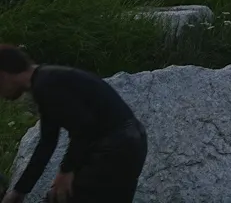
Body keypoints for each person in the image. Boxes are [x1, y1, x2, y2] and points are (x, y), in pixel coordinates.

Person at [0, 46, 147, 203]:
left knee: (61, 197)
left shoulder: (45, 84)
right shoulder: (46, 80)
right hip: (133, 142)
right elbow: (47, 143)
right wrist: (20, 191)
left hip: (114, 147)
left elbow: (84, 128)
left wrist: (66, 171)